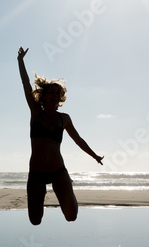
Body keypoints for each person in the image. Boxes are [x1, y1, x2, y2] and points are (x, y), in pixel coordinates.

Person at [17, 47, 103, 225]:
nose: (55, 96)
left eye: (58, 93)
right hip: (36, 173)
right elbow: (25, 84)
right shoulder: (35, 113)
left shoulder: (64, 119)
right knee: (35, 220)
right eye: (52, 93)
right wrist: (20, 61)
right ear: (44, 97)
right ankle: (47, 192)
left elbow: (78, 140)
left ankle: (68, 189)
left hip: (58, 171)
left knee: (71, 216)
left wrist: (94, 156)